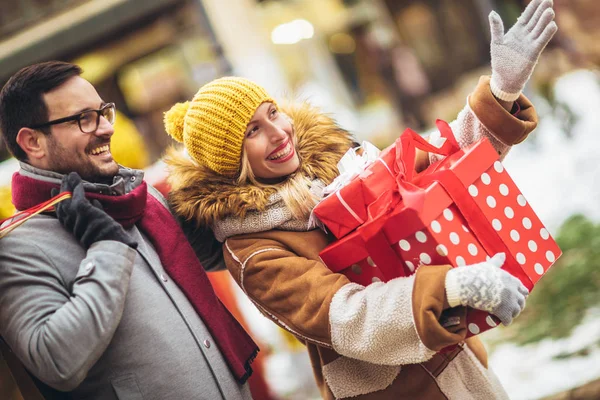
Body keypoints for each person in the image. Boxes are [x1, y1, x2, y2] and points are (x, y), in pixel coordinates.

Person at [164, 1, 556, 398]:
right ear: (231, 161)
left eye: (273, 113)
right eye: (253, 131)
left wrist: (501, 90)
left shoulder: (340, 169)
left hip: (458, 364)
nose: (279, 132)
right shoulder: (252, 250)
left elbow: (439, 163)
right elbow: (344, 315)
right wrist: (452, 286)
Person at [0, 61, 257, 400]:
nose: (106, 129)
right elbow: (55, 361)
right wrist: (107, 247)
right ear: (32, 142)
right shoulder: (16, 247)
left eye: (103, 113)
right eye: (84, 119)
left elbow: (225, 250)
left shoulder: (138, 198)